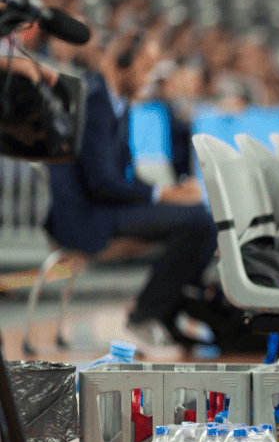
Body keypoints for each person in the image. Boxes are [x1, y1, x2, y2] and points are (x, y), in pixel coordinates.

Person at [45, 31, 218, 350]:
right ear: (121, 63)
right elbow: (101, 183)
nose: (150, 78)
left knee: (203, 218)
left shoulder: (116, 102)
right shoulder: (94, 99)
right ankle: (146, 314)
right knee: (199, 222)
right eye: (146, 67)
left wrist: (170, 191)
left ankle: (165, 313)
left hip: (105, 206)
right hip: (85, 217)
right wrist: (164, 195)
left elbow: (124, 176)